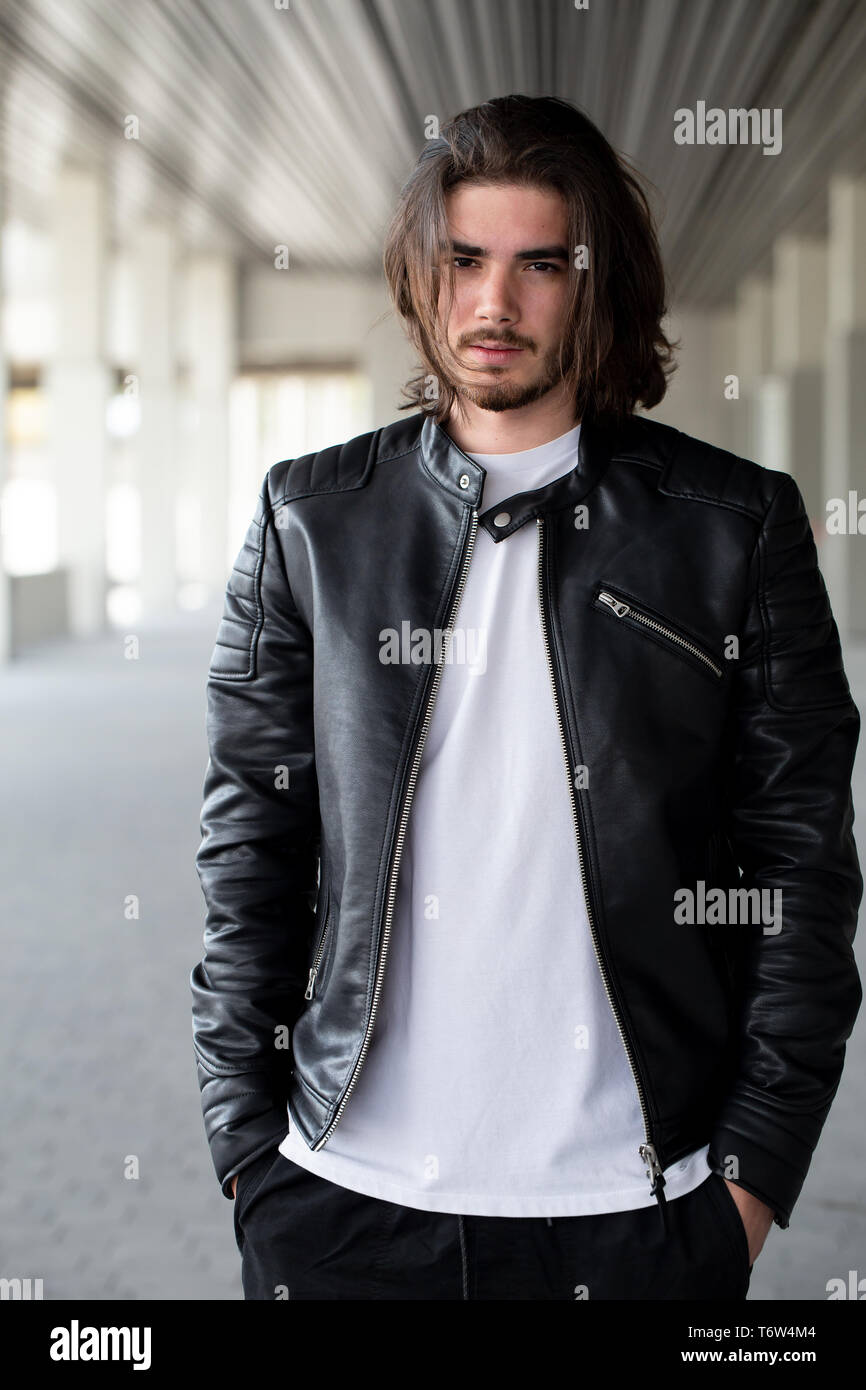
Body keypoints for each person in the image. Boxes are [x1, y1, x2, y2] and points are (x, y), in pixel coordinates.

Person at [190, 94, 862, 1301]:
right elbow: (251, 837)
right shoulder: (311, 520)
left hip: (633, 1209)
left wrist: (750, 1182)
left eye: (539, 265)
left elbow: (799, 868)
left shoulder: (732, 527)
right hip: (343, 1200)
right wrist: (247, 1144)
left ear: (593, 285)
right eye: (462, 261)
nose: (491, 305)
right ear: (420, 272)